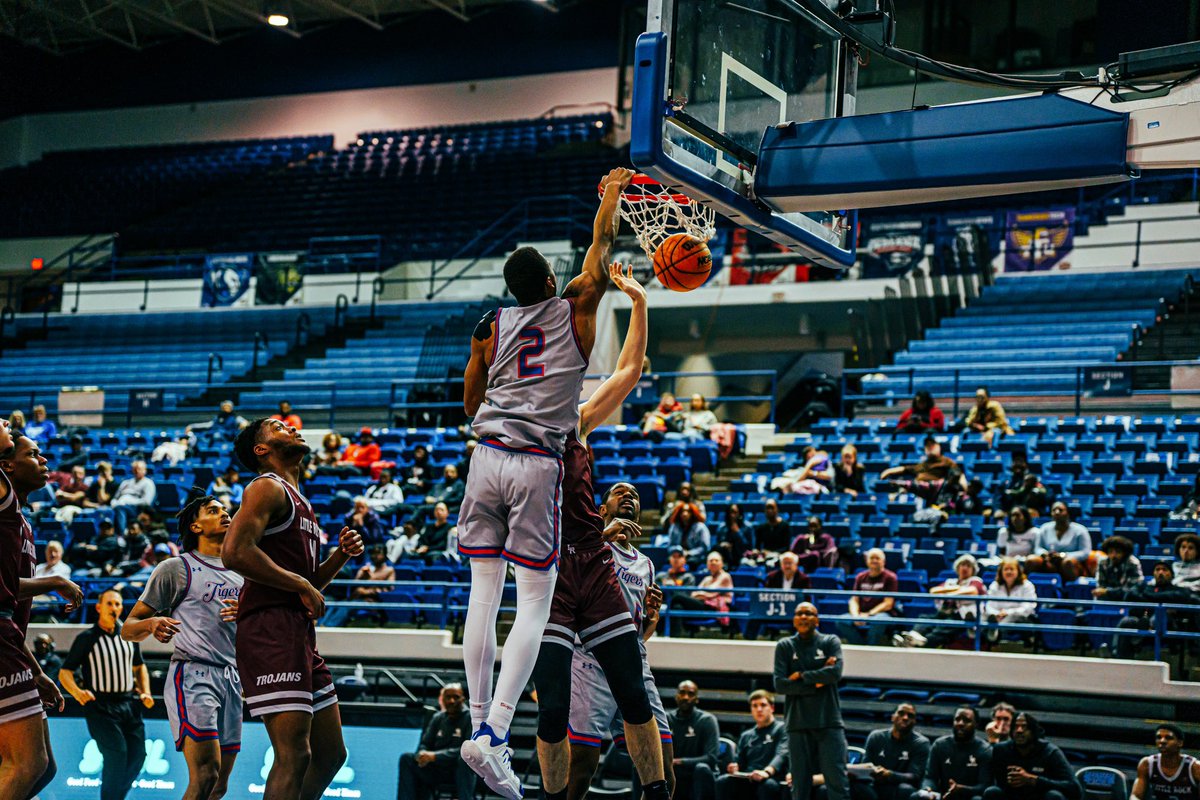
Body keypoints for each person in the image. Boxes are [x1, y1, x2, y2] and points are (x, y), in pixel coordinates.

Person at [457, 167, 635, 799]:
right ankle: (495, 733)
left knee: (482, 596)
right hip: (537, 463)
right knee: (533, 601)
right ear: (552, 283)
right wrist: (611, 193)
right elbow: (601, 245)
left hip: (486, 456)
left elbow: (471, 400)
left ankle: (478, 723)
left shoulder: (489, 326)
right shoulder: (576, 305)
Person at [223, 418, 365, 800]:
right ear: (261, 449)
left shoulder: (301, 501)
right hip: (269, 628)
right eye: (278, 427)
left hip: (298, 631)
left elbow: (308, 585)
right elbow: (234, 552)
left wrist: (339, 557)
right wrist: (301, 584)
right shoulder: (266, 487)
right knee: (293, 755)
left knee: (331, 754)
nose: (291, 428)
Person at [122, 495, 244, 800]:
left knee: (219, 786)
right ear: (196, 526)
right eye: (213, 511)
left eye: (225, 509)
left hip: (232, 677)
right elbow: (128, 628)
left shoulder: (244, 570)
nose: (224, 514)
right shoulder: (176, 568)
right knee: (206, 774)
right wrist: (151, 623)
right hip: (194, 674)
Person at [560, 484, 674, 800]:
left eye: (634, 495)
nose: (628, 496)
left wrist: (652, 616)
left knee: (663, 768)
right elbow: (565, 566)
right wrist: (603, 536)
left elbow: (641, 631)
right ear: (602, 510)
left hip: (633, 660)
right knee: (581, 766)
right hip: (591, 661)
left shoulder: (646, 564)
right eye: (619, 493)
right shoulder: (588, 545)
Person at [0, 423, 82, 799]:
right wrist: (54, 582)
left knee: (43, 768)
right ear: (8, 466)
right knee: (29, 764)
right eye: (32, 454)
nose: (44, 459)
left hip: (9, 639)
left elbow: (7, 598)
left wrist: (35, 671)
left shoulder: (23, 522)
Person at [60, 590, 154, 800]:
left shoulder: (129, 636)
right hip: (100, 707)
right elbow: (65, 672)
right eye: (109, 604)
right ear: (98, 607)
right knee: (117, 755)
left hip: (128, 704)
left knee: (138, 757)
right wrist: (77, 692)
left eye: (118, 604)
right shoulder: (86, 639)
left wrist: (146, 691)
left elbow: (139, 667)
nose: (114, 608)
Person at [774, 601, 848, 800]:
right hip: (797, 724)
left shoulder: (830, 641)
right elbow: (780, 685)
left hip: (829, 723)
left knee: (837, 784)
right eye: (799, 613)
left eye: (808, 613)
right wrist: (817, 681)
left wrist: (801, 676)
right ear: (793, 620)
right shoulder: (785, 646)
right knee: (800, 786)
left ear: (817, 620)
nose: (803, 617)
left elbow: (835, 674)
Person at [1098, 561, 1197, 658]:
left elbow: (1177, 596)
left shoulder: (1178, 589)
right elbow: (1129, 595)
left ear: (1171, 574)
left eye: (1164, 570)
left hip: (1167, 627)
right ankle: (1115, 653)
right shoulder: (1145, 587)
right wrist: (1155, 598)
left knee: (1158, 615)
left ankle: (1138, 640)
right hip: (1142, 620)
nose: (1160, 572)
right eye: (1157, 569)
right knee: (1127, 621)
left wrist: (1146, 597)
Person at [397, 683, 475, 800]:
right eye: (448, 697)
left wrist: (435, 756)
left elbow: (469, 751)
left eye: (456, 697)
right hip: (437, 770)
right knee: (407, 759)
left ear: (463, 699)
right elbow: (425, 744)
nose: (452, 701)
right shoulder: (437, 718)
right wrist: (422, 754)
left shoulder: (471, 718)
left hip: (459, 770)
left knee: (465, 759)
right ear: (442, 700)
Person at [894, 555, 985, 649]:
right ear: (958, 567)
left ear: (973, 570)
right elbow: (933, 590)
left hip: (962, 616)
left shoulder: (976, 581)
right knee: (925, 618)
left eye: (968, 566)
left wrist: (949, 593)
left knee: (942, 629)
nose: (965, 568)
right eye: (963, 565)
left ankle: (916, 645)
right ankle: (912, 636)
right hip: (944, 612)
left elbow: (972, 591)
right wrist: (958, 588)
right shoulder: (951, 581)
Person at [984, 713, 1078, 800]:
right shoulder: (1001, 750)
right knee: (992, 792)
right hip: (1012, 796)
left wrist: (1033, 780)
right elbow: (987, 782)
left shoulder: (1050, 752)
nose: (1019, 730)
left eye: (1024, 727)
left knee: (1054, 795)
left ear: (1034, 731)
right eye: (1015, 727)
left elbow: (1074, 788)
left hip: (1040, 796)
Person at [715, 690, 788, 800]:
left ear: (772, 708)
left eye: (763, 705)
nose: (759, 709)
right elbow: (740, 760)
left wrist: (766, 772)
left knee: (767, 786)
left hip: (771, 777)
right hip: (748, 777)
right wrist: (735, 766)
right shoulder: (746, 735)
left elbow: (781, 754)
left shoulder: (782, 729)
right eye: (755, 706)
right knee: (723, 781)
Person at [912, 708, 993, 800]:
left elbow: (984, 786)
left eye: (966, 720)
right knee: (917, 796)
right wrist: (928, 789)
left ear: (976, 724)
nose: (960, 723)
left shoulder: (984, 750)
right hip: (943, 796)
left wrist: (961, 789)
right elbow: (930, 777)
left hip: (970, 796)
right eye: (957, 719)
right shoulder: (940, 745)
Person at [855, 704, 931, 800]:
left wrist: (889, 775)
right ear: (892, 717)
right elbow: (865, 766)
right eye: (901, 713)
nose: (905, 718)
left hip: (898, 788)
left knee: (906, 789)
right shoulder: (876, 737)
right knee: (856, 785)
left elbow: (915, 776)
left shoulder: (921, 743)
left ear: (914, 721)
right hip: (874, 786)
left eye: (910, 716)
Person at [668, 680, 720, 800]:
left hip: (696, 775)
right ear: (676, 696)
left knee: (701, 768)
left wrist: (680, 762)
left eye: (690, 694)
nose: (686, 697)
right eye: (682, 693)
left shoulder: (707, 720)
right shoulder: (666, 719)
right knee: (642, 768)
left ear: (697, 699)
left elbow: (711, 758)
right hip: (674, 774)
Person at [841, 549, 897, 646]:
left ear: (883, 561)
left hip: (881, 614)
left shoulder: (890, 577)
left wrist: (869, 614)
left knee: (879, 620)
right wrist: (855, 616)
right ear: (867, 561)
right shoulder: (860, 577)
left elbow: (888, 603)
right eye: (871, 558)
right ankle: (860, 647)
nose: (874, 560)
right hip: (861, 613)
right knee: (841, 620)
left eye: (877, 558)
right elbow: (854, 600)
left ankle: (871, 648)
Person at [1026, 502, 1094, 581]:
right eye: (1054, 510)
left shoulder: (1080, 530)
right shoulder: (1044, 528)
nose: (1057, 512)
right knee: (1031, 560)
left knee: (1068, 562)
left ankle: (1071, 587)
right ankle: (1032, 585)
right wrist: (1044, 554)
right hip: (1049, 561)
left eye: (1060, 510)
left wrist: (1063, 555)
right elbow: (1038, 548)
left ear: (1067, 513)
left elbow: (1085, 552)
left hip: (1071, 563)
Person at [1131, 724, 1200, 800]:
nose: (1162, 741)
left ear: (1180, 743)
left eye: (1168, 738)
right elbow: (1135, 796)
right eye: (1159, 737)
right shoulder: (1146, 764)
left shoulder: (1195, 767)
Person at [881, 436, 956, 503]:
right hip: (919, 490)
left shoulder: (946, 462)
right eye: (928, 447)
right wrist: (888, 471)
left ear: (938, 447)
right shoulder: (924, 465)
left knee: (909, 484)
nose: (930, 448)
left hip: (935, 490)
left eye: (932, 446)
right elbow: (906, 469)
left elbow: (958, 475)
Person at [669, 551, 734, 626]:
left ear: (722, 563)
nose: (713, 562)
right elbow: (694, 594)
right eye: (711, 560)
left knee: (677, 596)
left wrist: (703, 594)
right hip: (703, 604)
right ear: (707, 564)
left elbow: (711, 594)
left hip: (713, 608)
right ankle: (673, 632)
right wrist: (705, 594)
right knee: (677, 607)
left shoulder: (725, 576)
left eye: (716, 560)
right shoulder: (707, 579)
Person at [983, 559, 1037, 643]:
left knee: (1014, 617)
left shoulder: (1027, 585)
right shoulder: (995, 585)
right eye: (1006, 569)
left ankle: (996, 631)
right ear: (1001, 572)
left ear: (1018, 571)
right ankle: (976, 632)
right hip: (998, 616)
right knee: (983, 615)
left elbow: (1029, 607)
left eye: (1012, 569)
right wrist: (997, 614)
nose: (1009, 572)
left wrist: (1007, 612)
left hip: (1022, 618)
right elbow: (989, 605)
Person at [111, 460, 156, 535]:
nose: (137, 471)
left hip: (137, 509)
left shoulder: (148, 483)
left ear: (144, 470)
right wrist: (114, 503)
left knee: (120, 508)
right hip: (120, 504)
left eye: (139, 469)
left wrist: (128, 502)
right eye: (135, 469)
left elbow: (146, 502)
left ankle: (122, 535)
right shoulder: (125, 483)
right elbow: (115, 498)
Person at [668, 503, 712, 567]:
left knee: (692, 562)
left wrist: (689, 553)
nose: (685, 514)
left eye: (688, 511)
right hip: (678, 555)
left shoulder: (701, 527)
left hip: (696, 556)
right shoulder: (674, 527)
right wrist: (678, 551)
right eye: (682, 511)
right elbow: (670, 546)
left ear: (693, 513)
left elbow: (705, 548)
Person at [715, 504, 748, 569]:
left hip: (742, 556)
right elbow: (717, 545)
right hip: (725, 556)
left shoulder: (747, 527)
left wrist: (738, 532)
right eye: (730, 512)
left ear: (740, 514)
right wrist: (722, 545)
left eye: (735, 512)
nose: (732, 515)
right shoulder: (722, 528)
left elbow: (748, 547)